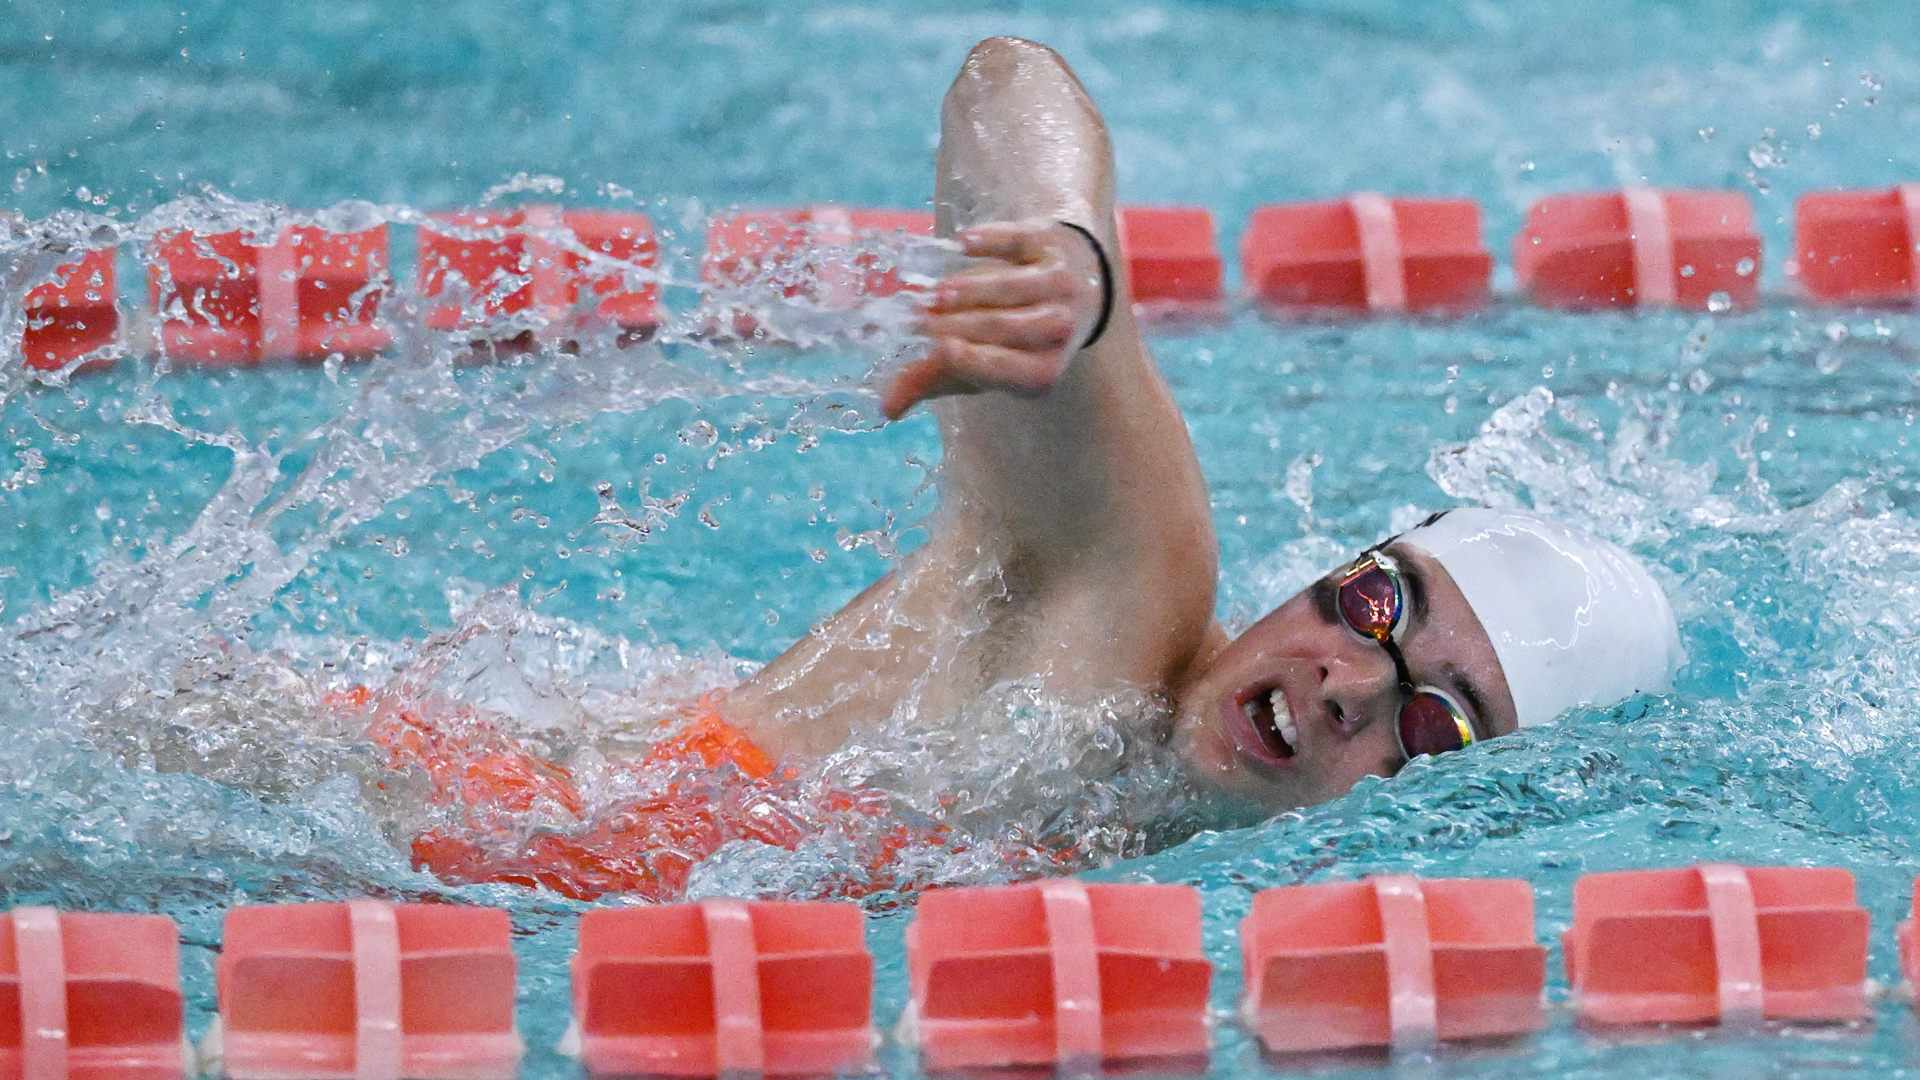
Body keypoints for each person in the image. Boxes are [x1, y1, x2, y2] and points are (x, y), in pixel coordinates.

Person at [718, 36, 1683, 814]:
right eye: (1378, 603)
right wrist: (1068, 251)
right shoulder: (1119, 605)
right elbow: (1010, 85)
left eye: (1437, 725)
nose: (1349, 682)